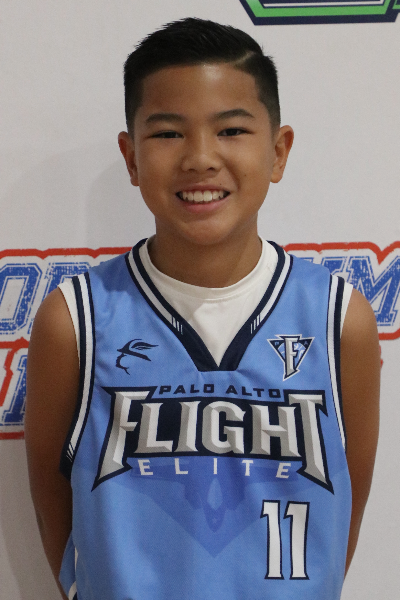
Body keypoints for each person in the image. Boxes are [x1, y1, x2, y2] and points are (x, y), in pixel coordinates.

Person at [25, 17, 380, 600]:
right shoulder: (76, 320)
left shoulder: (339, 318)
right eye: (168, 133)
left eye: (231, 130)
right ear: (131, 157)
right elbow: (53, 502)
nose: (200, 158)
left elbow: (344, 509)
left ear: (278, 151)